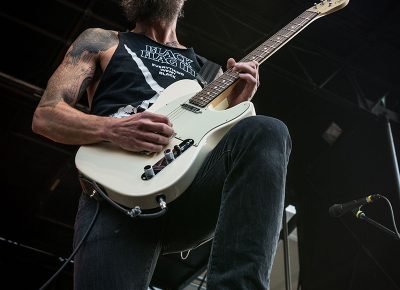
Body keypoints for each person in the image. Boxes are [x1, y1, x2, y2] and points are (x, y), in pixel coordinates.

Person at [32, 0, 292, 289]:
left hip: (187, 192)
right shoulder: (103, 41)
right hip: (114, 194)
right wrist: (114, 128)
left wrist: (237, 105)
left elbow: (223, 147)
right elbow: (46, 116)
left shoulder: (210, 73)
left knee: (266, 130)